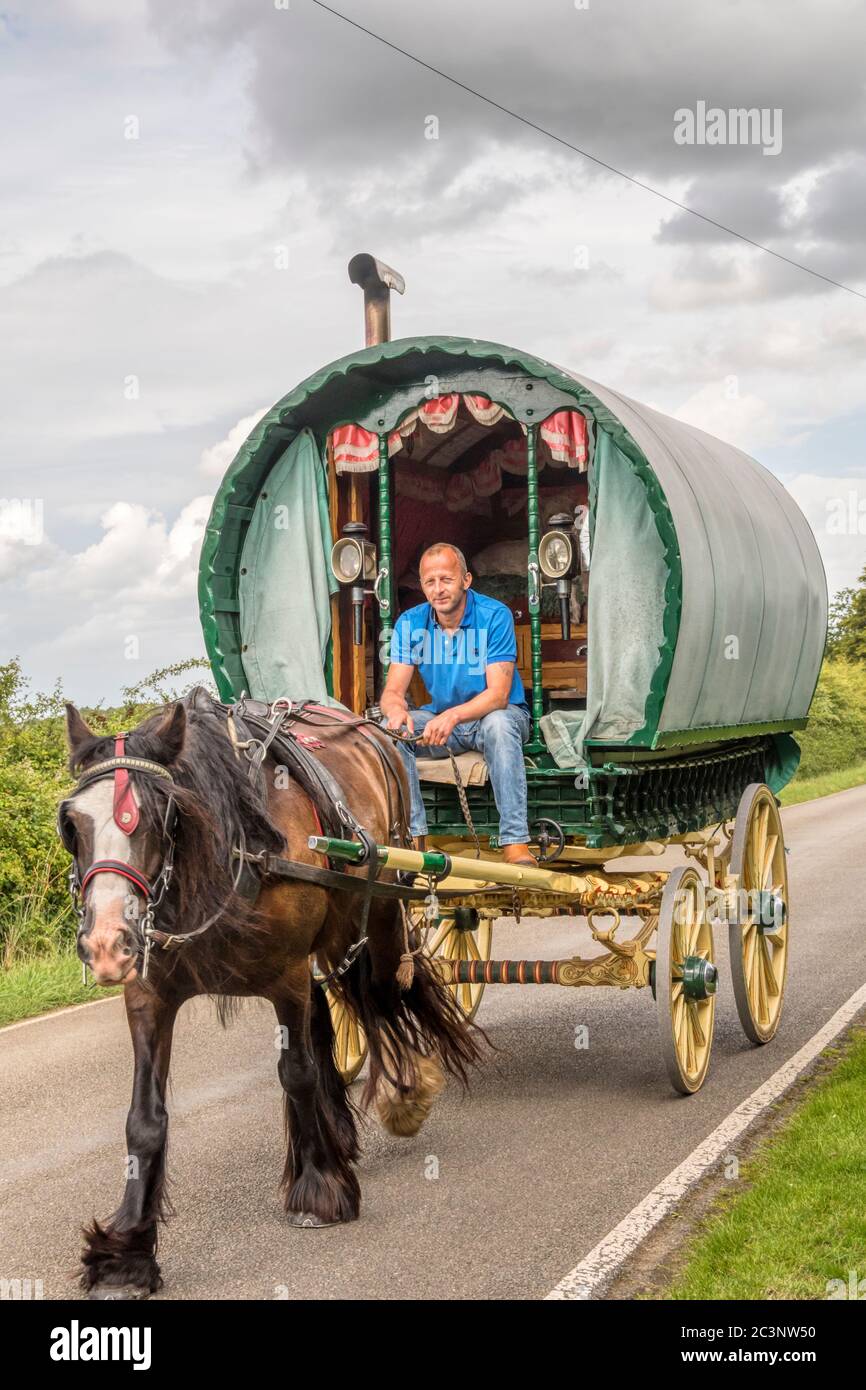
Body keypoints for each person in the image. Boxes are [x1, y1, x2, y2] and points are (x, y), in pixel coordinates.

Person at [380, 542, 536, 866]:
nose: (438, 590)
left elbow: (498, 695)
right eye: (430, 582)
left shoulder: (494, 616)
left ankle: (515, 843)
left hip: (496, 716)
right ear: (422, 586)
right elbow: (393, 691)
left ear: (466, 580)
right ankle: (416, 840)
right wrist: (396, 712)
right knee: (391, 731)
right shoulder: (410, 623)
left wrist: (451, 717)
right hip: (444, 721)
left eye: (446, 580)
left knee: (500, 724)